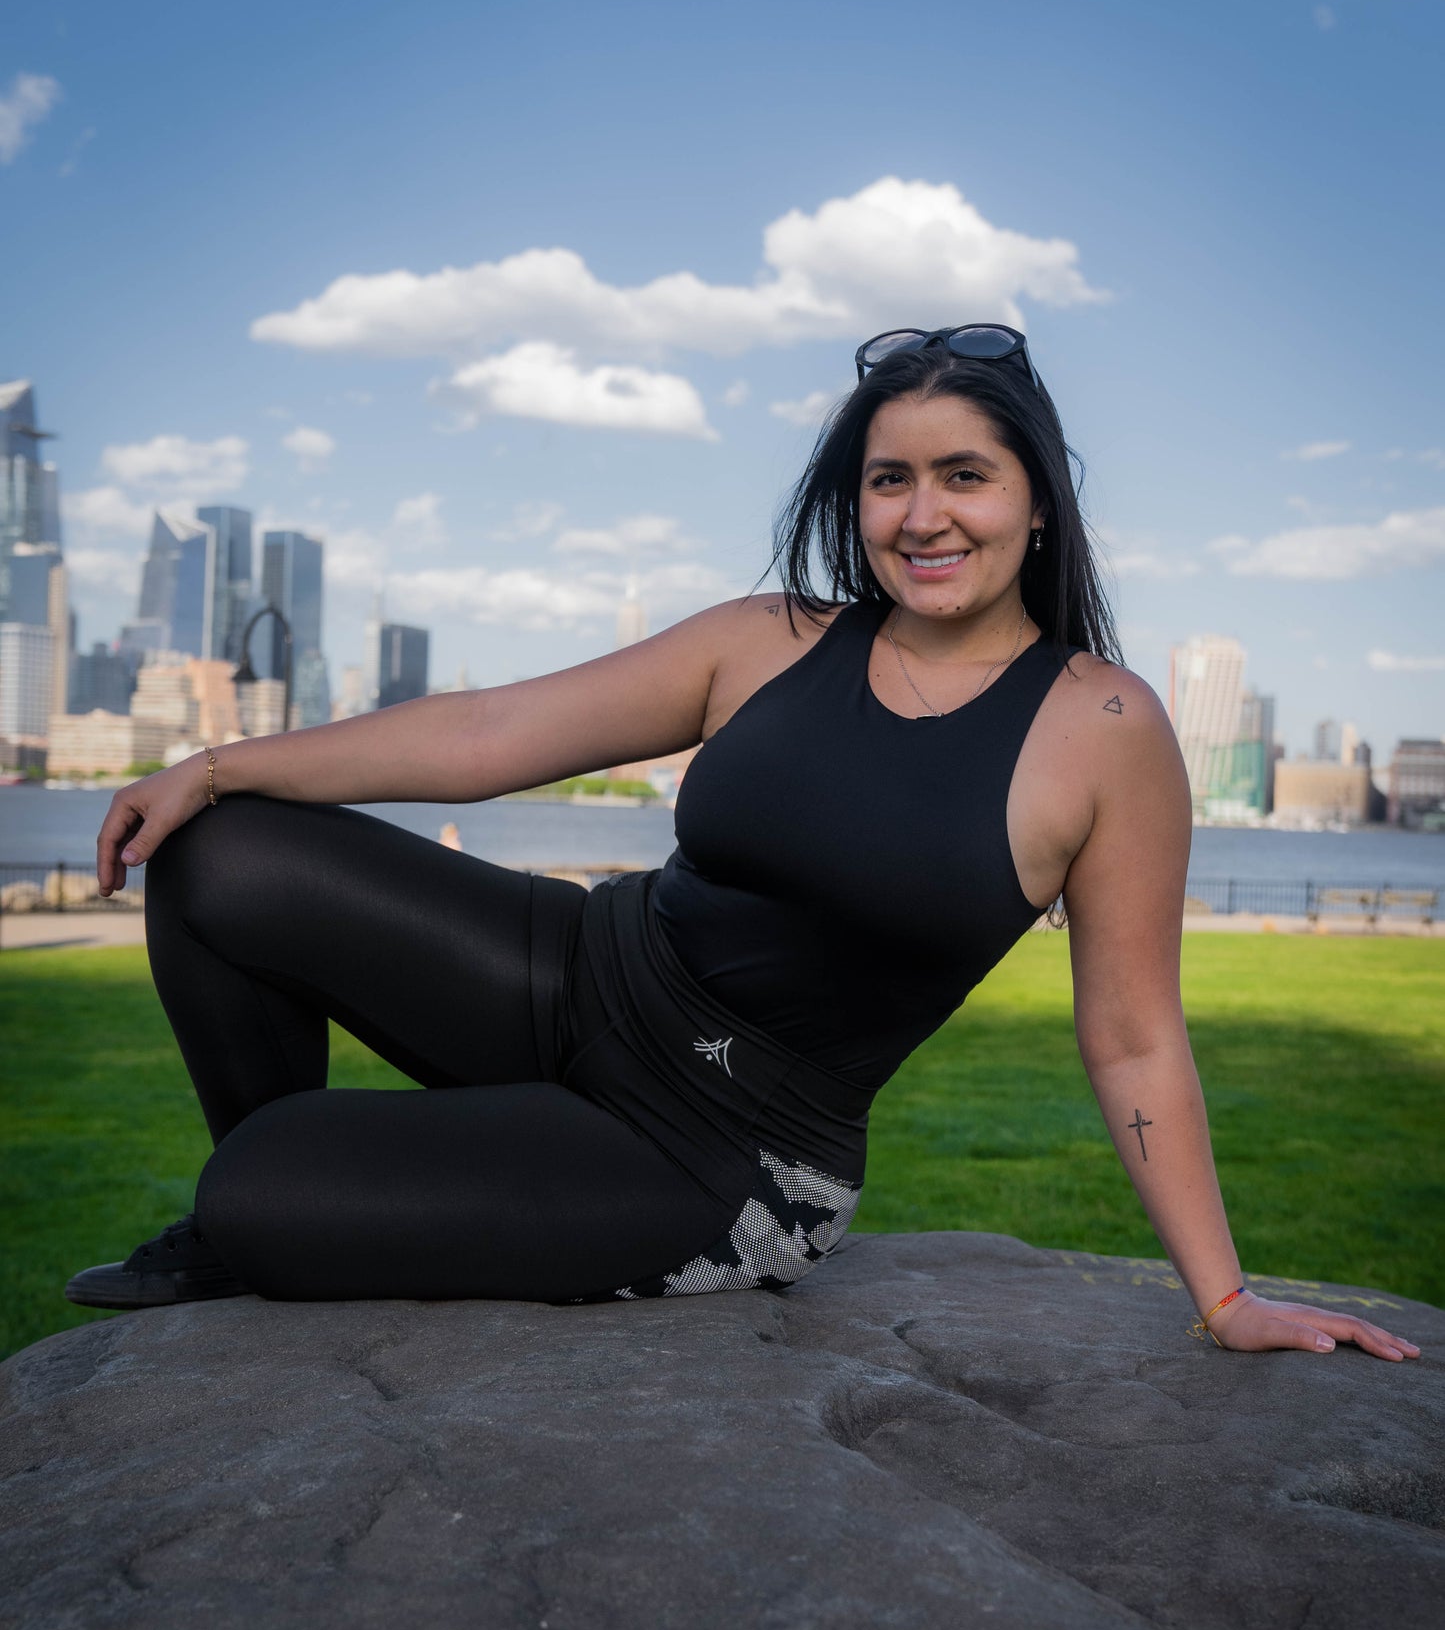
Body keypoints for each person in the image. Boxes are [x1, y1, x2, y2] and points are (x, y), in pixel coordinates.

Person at [67, 325, 1418, 1363]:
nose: (921, 514)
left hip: (722, 1149)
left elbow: (1130, 1034)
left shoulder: (1102, 727)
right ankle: (315, 1202)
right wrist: (218, 763)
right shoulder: (767, 638)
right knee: (222, 852)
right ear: (857, 498)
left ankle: (286, 1208)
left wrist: (1223, 1293)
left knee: (252, 1193)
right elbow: (491, 733)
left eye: (965, 476)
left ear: (1035, 502)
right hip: (576, 972)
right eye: (889, 478)